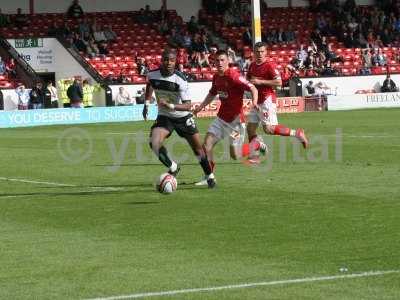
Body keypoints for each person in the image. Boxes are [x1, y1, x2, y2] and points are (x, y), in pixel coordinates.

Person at [142, 48, 215, 188]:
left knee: (198, 149)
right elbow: (150, 85)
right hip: (165, 116)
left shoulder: (180, 79)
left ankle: (209, 176)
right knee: (154, 142)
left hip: (182, 117)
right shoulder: (152, 74)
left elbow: (188, 105)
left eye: (172, 60)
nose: (169, 63)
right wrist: (146, 104)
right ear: (161, 60)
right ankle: (173, 167)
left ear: (175, 62)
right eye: (166, 60)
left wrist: (170, 105)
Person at [192, 49, 259, 184]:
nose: (220, 63)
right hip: (221, 119)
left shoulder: (234, 76)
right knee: (206, 145)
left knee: (235, 155)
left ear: (228, 61)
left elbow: (253, 88)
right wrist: (200, 107)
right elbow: (212, 94)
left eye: (222, 60)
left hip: (236, 122)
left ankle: (257, 145)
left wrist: (254, 102)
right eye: (217, 60)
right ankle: (209, 176)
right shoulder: (216, 77)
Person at [246, 42, 308, 157]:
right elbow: (248, 79)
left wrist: (260, 81)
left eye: (262, 51)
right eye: (257, 52)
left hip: (267, 99)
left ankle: (297, 133)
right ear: (254, 53)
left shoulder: (270, 65)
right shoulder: (252, 65)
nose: (259, 54)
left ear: (266, 52)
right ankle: (256, 153)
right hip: (256, 100)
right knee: (250, 129)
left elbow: (279, 82)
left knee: (269, 129)